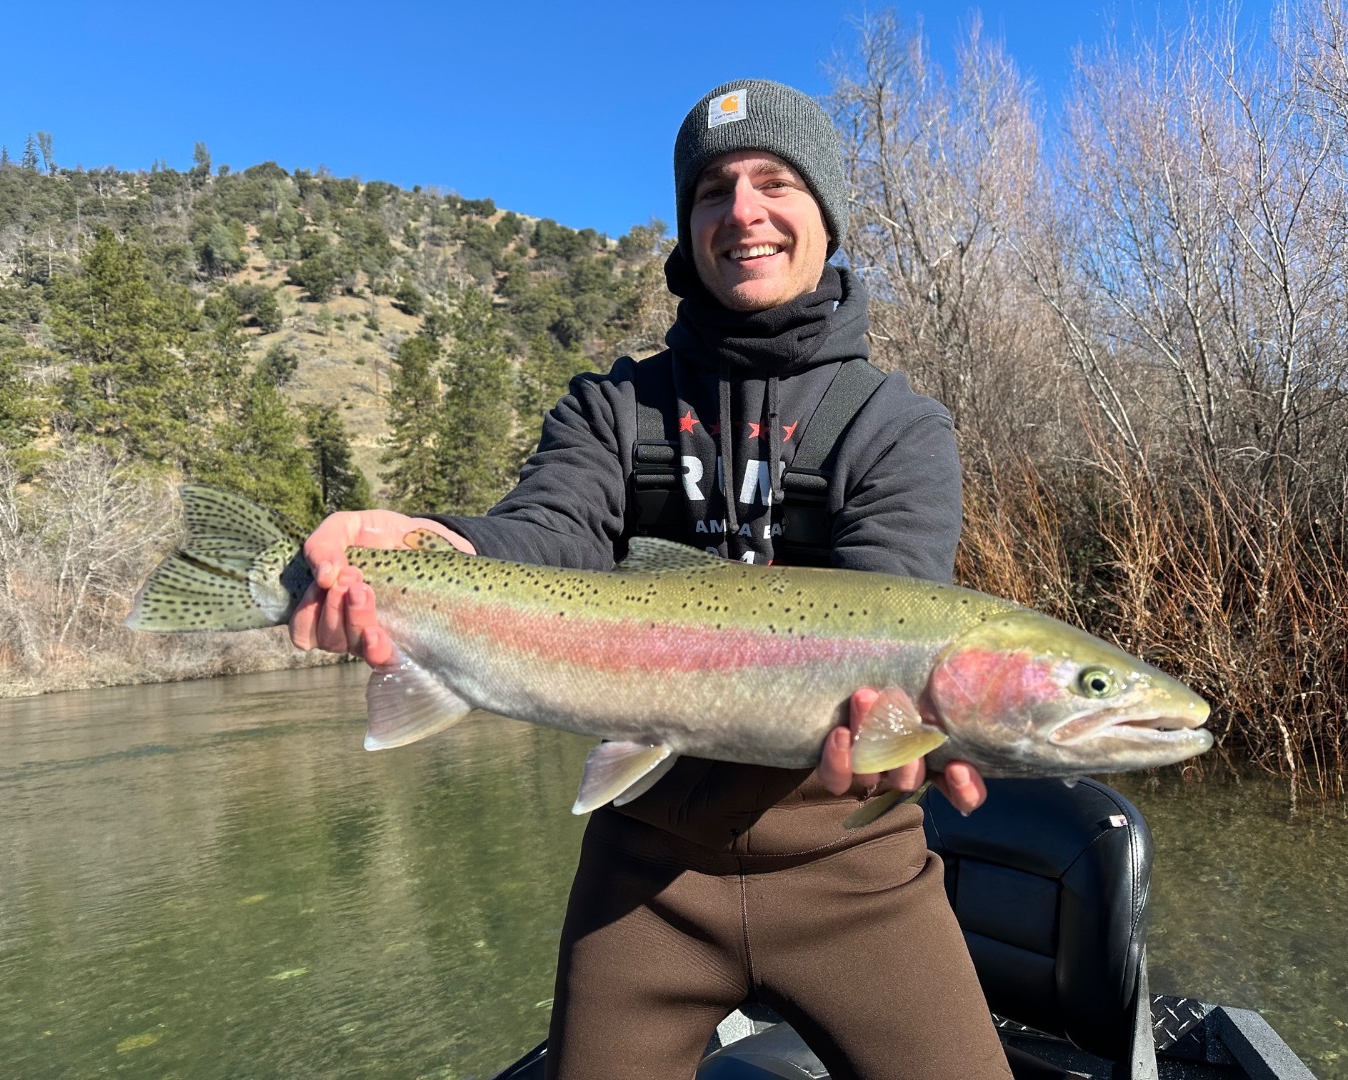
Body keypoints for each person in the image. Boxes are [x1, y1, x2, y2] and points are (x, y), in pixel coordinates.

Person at [290, 80, 1012, 1080]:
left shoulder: (897, 428)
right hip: (647, 873)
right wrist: (436, 553)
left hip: (853, 868)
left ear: (827, 215)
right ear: (689, 227)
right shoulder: (613, 409)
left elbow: (888, 617)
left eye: (775, 182)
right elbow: (544, 534)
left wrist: (918, 727)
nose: (743, 211)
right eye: (713, 190)